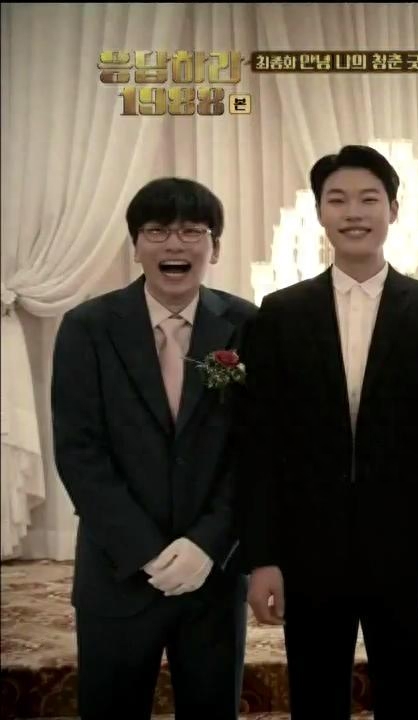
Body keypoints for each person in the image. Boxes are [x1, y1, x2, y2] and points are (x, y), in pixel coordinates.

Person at [239, 145, 418, 718]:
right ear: (319, 212)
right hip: (309, 551)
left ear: (394, 209)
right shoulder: (280, 313)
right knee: (314, 700)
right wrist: (264, 557)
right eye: (337, 200)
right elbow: (261, 445)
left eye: (368, 199)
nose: (353, 213)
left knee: (406, 701)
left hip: (406, 552)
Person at [51, 177, 254, 719]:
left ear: (215, 246)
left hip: (212, 578)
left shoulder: (248, 326)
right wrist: (144, 550)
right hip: (117, 574)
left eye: (192, 231)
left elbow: (254, 452)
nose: (174, 244)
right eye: (158, 231)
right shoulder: (88, 327)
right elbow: (79, 451)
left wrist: (208, 543)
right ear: (135, 245)